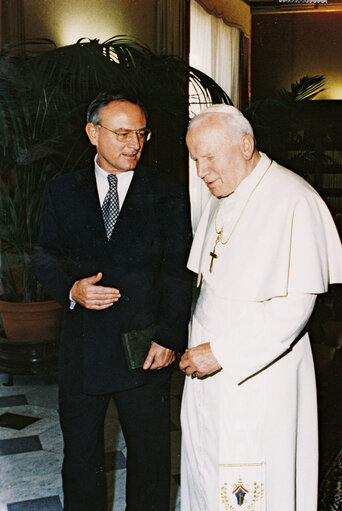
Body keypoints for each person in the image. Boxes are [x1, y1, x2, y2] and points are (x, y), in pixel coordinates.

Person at [34, 90, 193, 511]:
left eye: (141, 134)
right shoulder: (61, 191)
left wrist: (170, 337)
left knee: (151, 456)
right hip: (83, 350)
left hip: (144, 350)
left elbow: (179, 271)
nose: (134, 144)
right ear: (93, 133)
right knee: (81, 456)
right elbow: (46, 256)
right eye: (122, 133)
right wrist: (72, 290)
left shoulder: (167, 192)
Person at [179, 104, 342, 511]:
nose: (201, 171)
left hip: (257, 374)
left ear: (246, 145)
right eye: (195, 159)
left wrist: (221, 353)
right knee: (206, 464)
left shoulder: (293, 200)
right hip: (208, 366)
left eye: (209, 158)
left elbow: (292, 309)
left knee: (250, 477)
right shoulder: (226, 191)